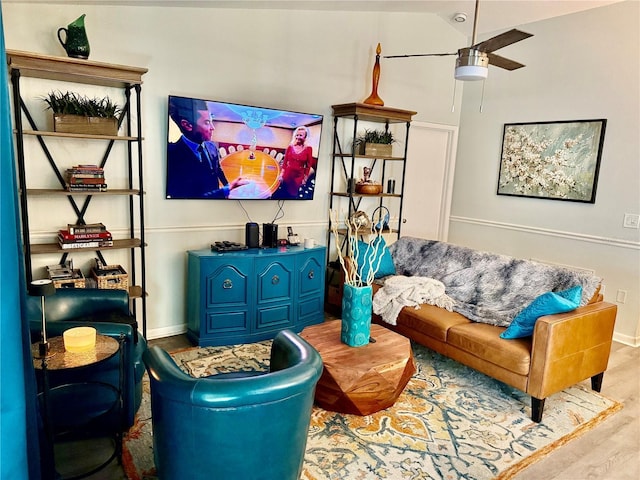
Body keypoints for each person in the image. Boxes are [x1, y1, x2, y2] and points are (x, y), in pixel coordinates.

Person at [166, 97, 247, 199]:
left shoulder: (211, 146)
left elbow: (218, 169)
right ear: (187, 125)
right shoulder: (171, 158)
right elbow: (188, 198)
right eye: (207, 122)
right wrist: (226, 190)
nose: (213, 127)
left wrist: (228, 187)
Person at [277, 126, 315, 198]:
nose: (298, 137)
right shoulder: (290, 147)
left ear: (305, 137)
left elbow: (308, 165)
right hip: (287, 175)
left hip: (298, 177)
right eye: (297, 135)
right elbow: (285, 162)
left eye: (300, 135)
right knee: (282, 193)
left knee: (292, 195)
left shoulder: (309, 149)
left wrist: (305, 178)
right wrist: (281, 174)